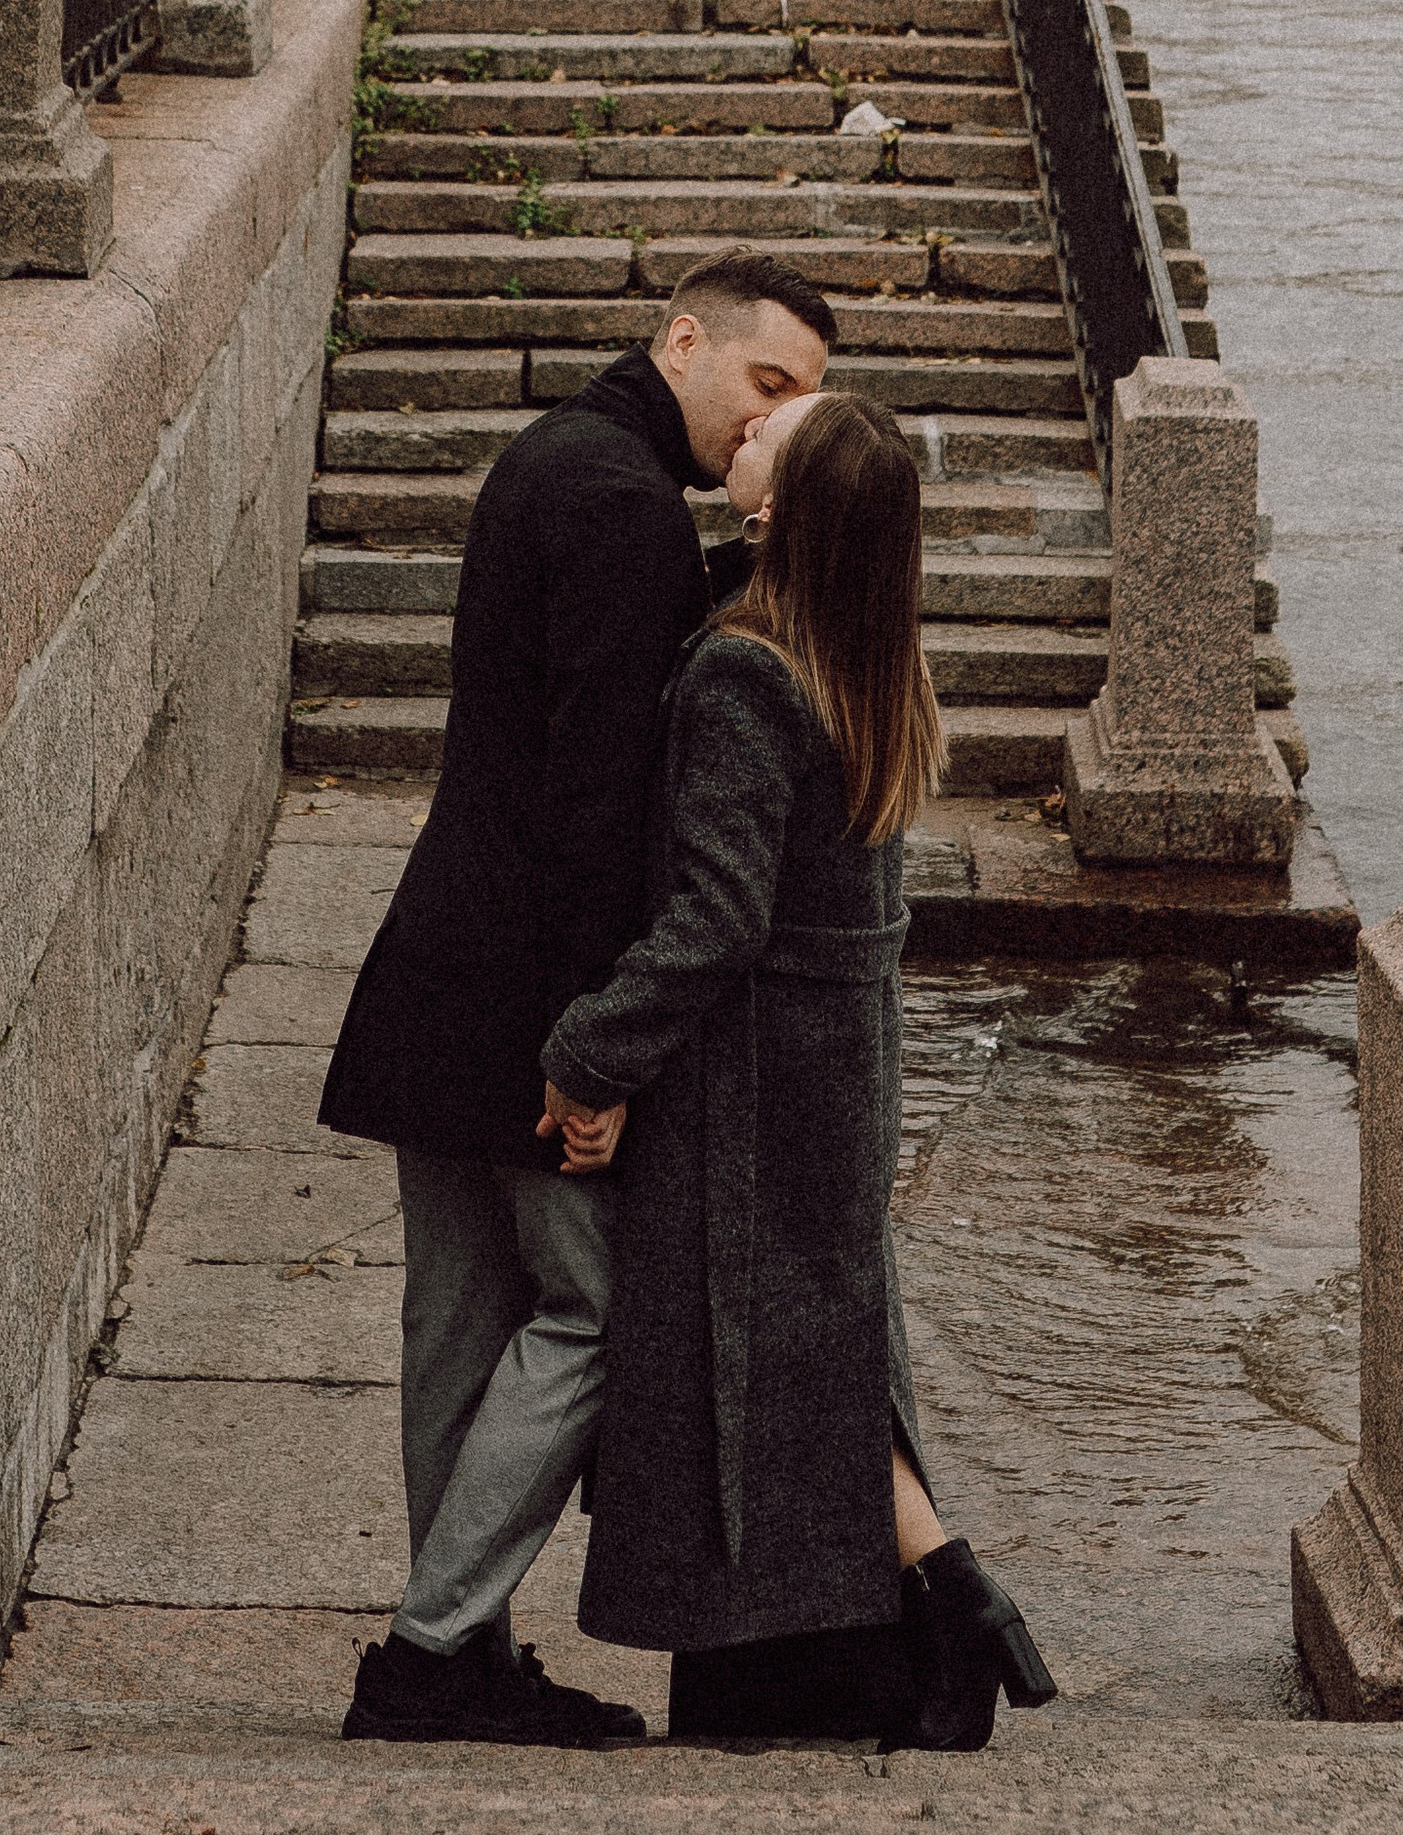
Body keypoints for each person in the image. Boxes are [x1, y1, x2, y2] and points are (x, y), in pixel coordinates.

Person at [320, 254, 838, 1748]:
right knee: (598, 1317)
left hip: (446, 960)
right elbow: (598, 803)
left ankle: (457, 1652)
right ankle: (431, 1651)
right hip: (529, 990)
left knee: (462, 1317)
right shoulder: (621, 510)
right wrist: (593, 1059)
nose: (771, 425)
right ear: (685, 340)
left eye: (799, 404)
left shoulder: (555, 455)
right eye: (765, 384)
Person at [540, 391, 1059, 1753]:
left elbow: (716, 919)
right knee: (826, 1351)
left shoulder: (742, 678)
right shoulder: (867, 656)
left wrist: (592, 1051)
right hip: (841, 1064)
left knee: (753, 1363)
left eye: (778, 431)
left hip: (751, 1082)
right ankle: (941, 1608)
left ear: (782, 510)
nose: (751, 423)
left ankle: (947, 1600)